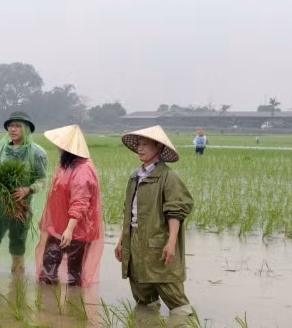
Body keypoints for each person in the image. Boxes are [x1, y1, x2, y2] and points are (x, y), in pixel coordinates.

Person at [114, 125, 194, 316]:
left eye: (145, 145)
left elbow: (176, 212)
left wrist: (171, 242)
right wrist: (122, 240)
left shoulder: (168, 177)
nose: (140, 149)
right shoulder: (135, 176)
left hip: (159, 241)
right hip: (135, 239)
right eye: (139, 145)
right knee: (142, 293)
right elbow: (130, 212)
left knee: (172, 291)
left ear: (158, 147)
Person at [0, 111, 48, 273]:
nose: (13, 129)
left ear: (27, 130)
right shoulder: (0, 149)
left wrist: (27, 189)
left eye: (17, 126)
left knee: (18, 242)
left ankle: (17, 279)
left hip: (21, 207)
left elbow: (42, 181)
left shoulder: (37, 153)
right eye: (10, 126)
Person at [36, 125, 103, 286]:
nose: (57, 147)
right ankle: (47, 307)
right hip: (58, 228)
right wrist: (46, 220)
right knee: (47, 273)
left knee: (74, 275)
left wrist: (70, 229)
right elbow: (55, 196)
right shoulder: (65, 165)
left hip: (76, 231)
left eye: (61, 145)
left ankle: (74, 306)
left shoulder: (83, 169)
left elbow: (80, 202)